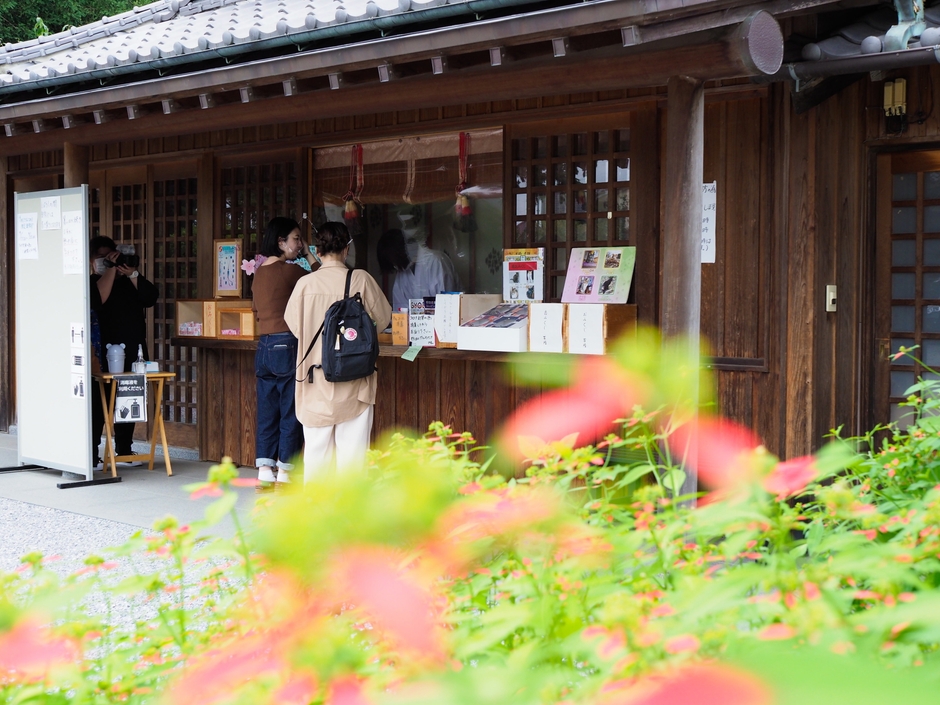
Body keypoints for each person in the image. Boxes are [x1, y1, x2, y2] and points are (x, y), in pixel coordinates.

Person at [284, 221, 391, 481]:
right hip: (354, 382)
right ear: (346, 249)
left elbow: (295, 327)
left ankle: (315, 517)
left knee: (316, 463)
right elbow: (384, 319)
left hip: (313, 381)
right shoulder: (361, 279)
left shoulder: (305, 285)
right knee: (352, 464)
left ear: (317, 251)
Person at [251, 217, 318, 490]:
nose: (299, 244)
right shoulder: (288, 271)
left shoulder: (259, 272)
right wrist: (309, 254)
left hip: (263, 345)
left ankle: (265, 469)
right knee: (290, 409)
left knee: (267, 409)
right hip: (286, 343)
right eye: (295, 238)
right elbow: (321, 277)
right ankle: (287, 471)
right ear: (281, 242)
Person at [90, 236, 158, 466]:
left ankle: (124, 450)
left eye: (113, 256)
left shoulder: (128, 280)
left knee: (128, 399)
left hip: (131, 348)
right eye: (103, 257)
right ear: (91, 259)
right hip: (100, 351)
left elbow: (150, 298)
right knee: (97, 403)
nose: (110, 262)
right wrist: (109, 270)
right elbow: (98, 299)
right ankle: (92, 454)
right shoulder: (90, 281)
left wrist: (131, 273)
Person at [376, 228, 460, 311]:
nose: (395, 266)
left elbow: (446, 302)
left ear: (401, 253)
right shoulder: (403, 272)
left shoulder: (435, 261)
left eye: (394, 262)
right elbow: (400, 307)